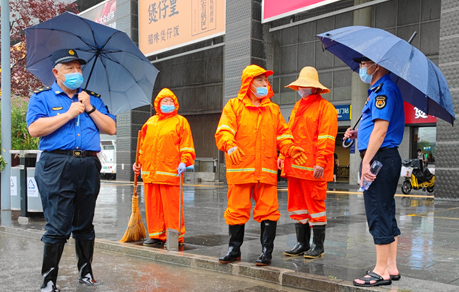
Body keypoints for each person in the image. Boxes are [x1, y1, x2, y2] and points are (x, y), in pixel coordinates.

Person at [26, 48, 117, 292]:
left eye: (79, 68)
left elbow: (111, 128)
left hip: (88, 164)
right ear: (56, 72)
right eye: (69, 68)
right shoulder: (42, 98)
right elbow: (35, 129)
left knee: (85, 223)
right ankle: (49, 280)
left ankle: (86, 273)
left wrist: (89, 108)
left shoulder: (92, 98)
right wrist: (69, 114)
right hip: (56, 165)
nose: (76, 73)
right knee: (57, 225)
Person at [215, 64, 307, 266]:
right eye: (260, 80)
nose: (265, 83)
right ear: (248, 83)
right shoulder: (233, 107)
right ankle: (234, 249)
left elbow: (283, 135)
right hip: (240, 168)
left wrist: (290, 149)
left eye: (266, 80)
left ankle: (267, 252)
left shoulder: (272, 110)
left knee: (269, 210)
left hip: (265, 170)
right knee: (237, 209)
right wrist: (230, 146)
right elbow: (224, 131)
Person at [344, 56, 404, 287]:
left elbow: (381, 131)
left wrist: (366, 162)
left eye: (364, 62)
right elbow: (375, 130)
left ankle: (380, 271)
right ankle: (390, 266)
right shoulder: (379, 89)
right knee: (386, 210)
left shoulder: (384, 90)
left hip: (380, 158)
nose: (361, 67)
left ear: (377, 65)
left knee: (377, 211)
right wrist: (358, 135)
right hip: (385, 156)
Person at [280, 66, 338, 260]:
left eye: (305, 85)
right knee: (298, 206)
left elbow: (326, 139)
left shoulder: (326, 108)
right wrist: (282, 155)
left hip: (314, 169)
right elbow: (289, 134)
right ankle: (302, 244)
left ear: (315, 88)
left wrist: (321, 162)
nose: (301, 89)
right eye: (300, 85)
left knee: (315, 206)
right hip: (295, 167)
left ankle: (317, 246)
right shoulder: (298, 106)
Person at [133, 88, 195, 247]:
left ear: (175, 103)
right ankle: (156, 235)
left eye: (170, 101)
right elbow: (143, 147)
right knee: (153, 207)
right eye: (164, 101)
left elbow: (186, 146)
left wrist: (184, 161)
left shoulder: (180, 122)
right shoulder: (150, 123)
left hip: (170, 172)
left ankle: (175, 237)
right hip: (151, 174)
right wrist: (138, 163)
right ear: (157, 104)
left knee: (172, 208)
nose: (168, 104)